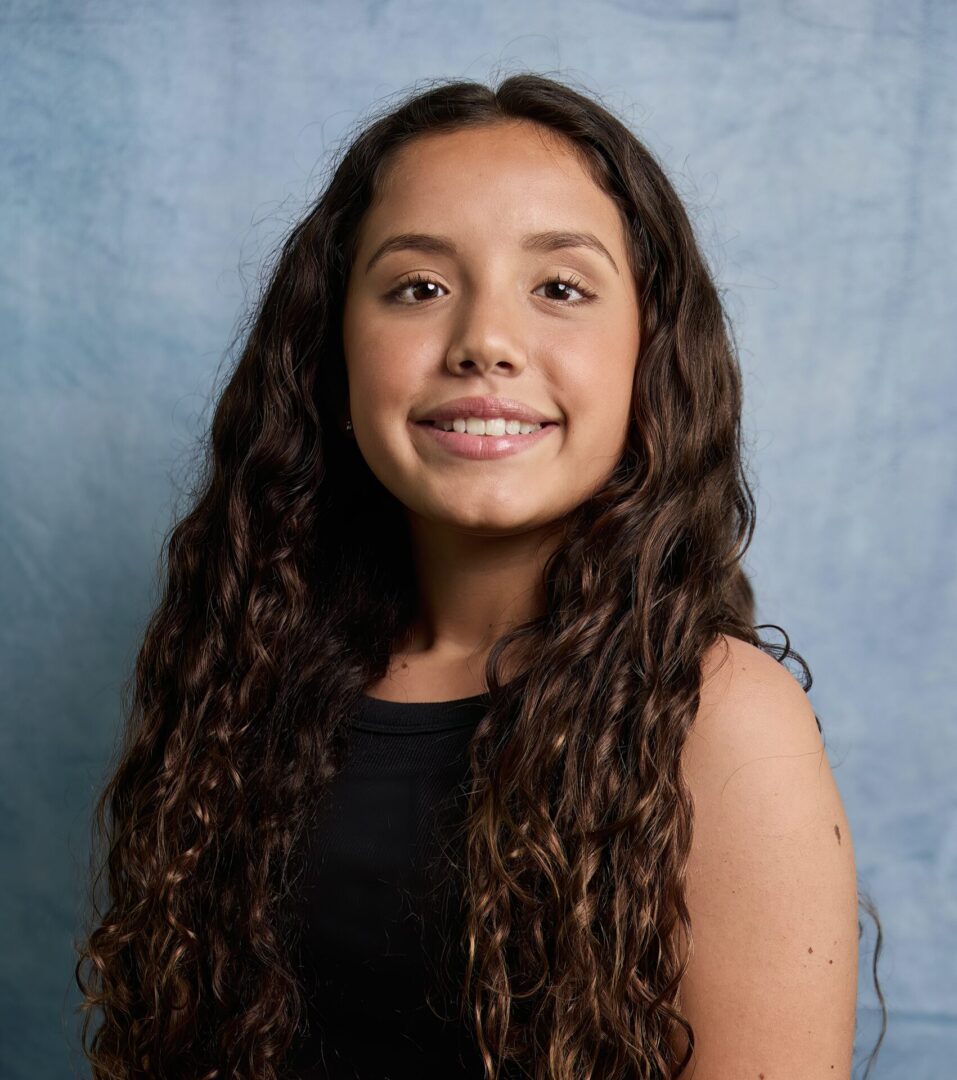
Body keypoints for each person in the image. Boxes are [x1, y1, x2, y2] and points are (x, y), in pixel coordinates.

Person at [75, 73, 882, 1079]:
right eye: (419, 287)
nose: (485, 343)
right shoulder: (240, 684)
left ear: (651, 355)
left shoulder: (721, 720)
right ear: (330, 356)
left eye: (560, 289)